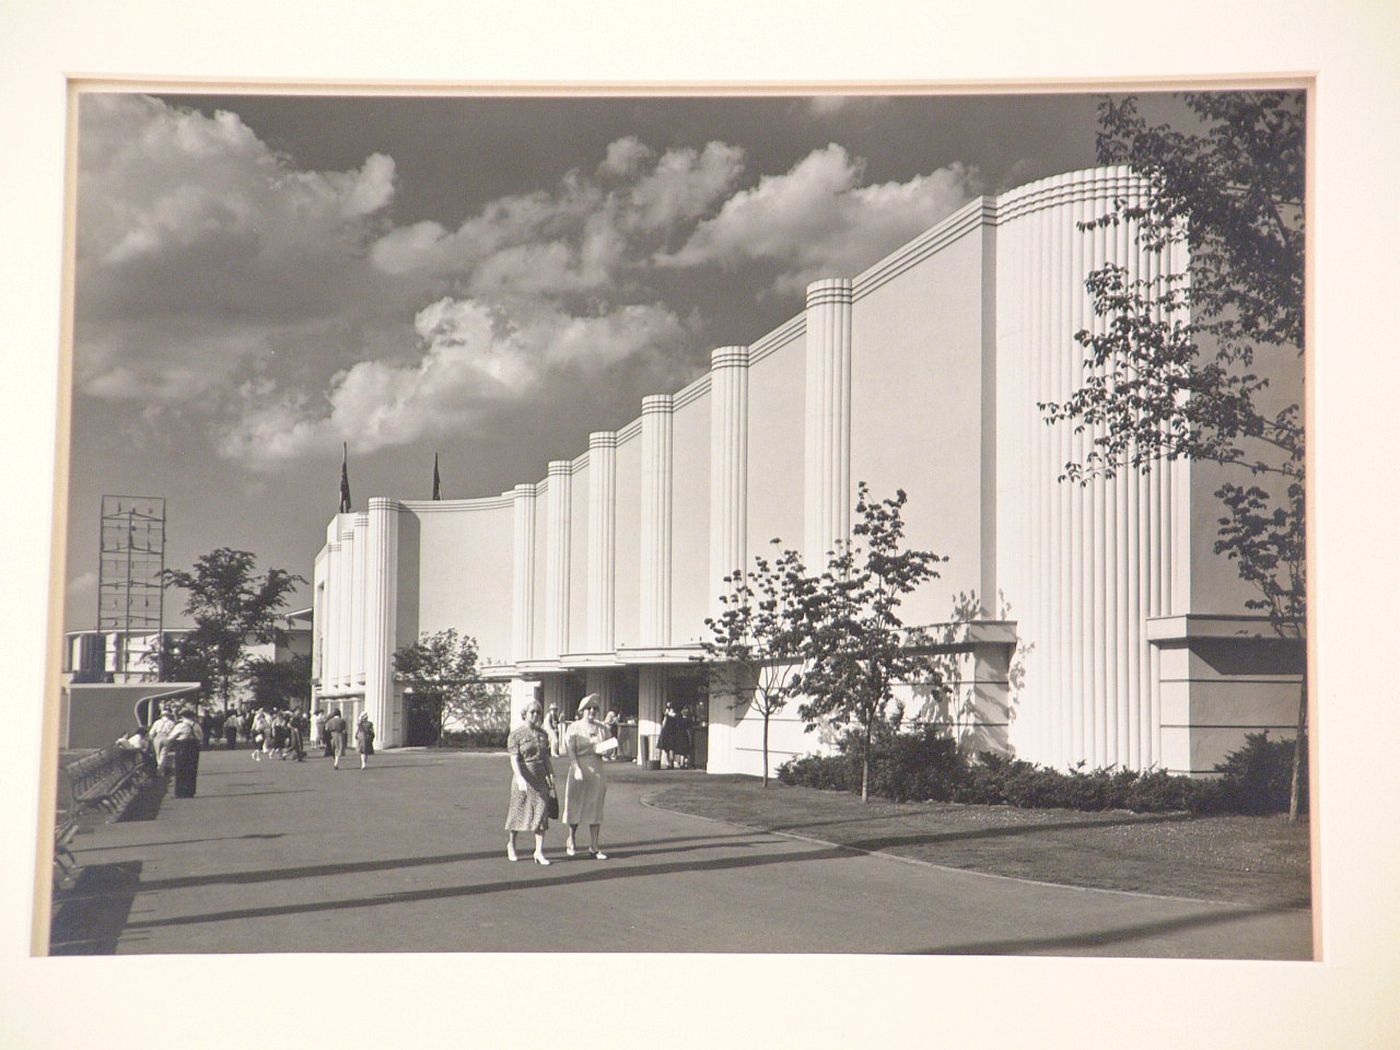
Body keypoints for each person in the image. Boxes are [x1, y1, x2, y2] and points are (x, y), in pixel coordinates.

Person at [504, 700, 556, 865]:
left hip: (540, 778)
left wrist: (551, 774)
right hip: (524, 777)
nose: (535, 715)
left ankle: (538, 851)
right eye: (532, 712)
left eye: (538, 712)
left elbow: (546, 757)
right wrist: (519, 776)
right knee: (518, 811)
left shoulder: (543, 734)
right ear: (525, 714)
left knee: (541, 814)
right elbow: (514, 758)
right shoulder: (516, 735)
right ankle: (511, 844)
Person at [562, 693, 611, 859]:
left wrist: (608, 749)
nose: (592, 711)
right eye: (589, 708)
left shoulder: (602, 728)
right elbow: (570, 750)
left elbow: (608, 748)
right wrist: (576, 767)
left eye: (595, 709)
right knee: (576, 804)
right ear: (582, 710)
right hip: (580, 769)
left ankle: (594, 845)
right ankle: (571, 839)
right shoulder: (574, 727)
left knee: (595, 806)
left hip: (597, 768)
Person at [166, 707, 205, 798]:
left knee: (180, 769)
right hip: (194, 746)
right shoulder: (196, 725)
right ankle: (190, 791)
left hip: (183, 746)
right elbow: (201, 737)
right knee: (192, 769)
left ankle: (180, 792)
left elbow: (170, 737)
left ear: (183, 716)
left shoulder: (180, 725)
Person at [658, 702, 689, 770]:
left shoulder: (675, 716)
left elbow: (664, 724)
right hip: (669, 732)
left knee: (670, 748)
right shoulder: (675, 716)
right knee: (667, 748)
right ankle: (670, 762)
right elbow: (663, 723)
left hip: (670, 732)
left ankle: (670, 762)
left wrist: (666, 716)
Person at [149, 705, 178, 776]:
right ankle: (160, 769)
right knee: (163, 754)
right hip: (166, 737)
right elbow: (174, 732)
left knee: (157, 754)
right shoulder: (171, 723)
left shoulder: (157, 722)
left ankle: (160, 769)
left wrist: (151, 739)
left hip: (157, 737)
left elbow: (151, 732)